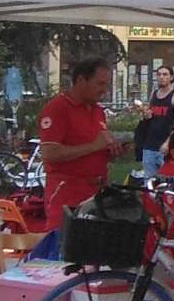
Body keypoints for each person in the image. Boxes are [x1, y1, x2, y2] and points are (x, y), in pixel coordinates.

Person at [39, 58, 125, 218]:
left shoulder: (98, 110)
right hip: (67, 195)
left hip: (96, 195)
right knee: (67, 241)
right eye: (99, 84)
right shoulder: (58, 108)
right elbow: (49, 153)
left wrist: (111, 150)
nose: (104, 90)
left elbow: (95, 147)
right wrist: (93, 146)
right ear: (81, 80)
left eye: (106, 84)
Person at [136, 65, 174, 181]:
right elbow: (150, 116)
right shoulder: (154, 94)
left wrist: (168, 143)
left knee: (168, 182)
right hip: (149, 145)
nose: (161, 77)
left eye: (165, 74)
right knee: (149, 182)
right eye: (159, 74)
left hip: (165, 147)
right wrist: (146, 115)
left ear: (171, 77)